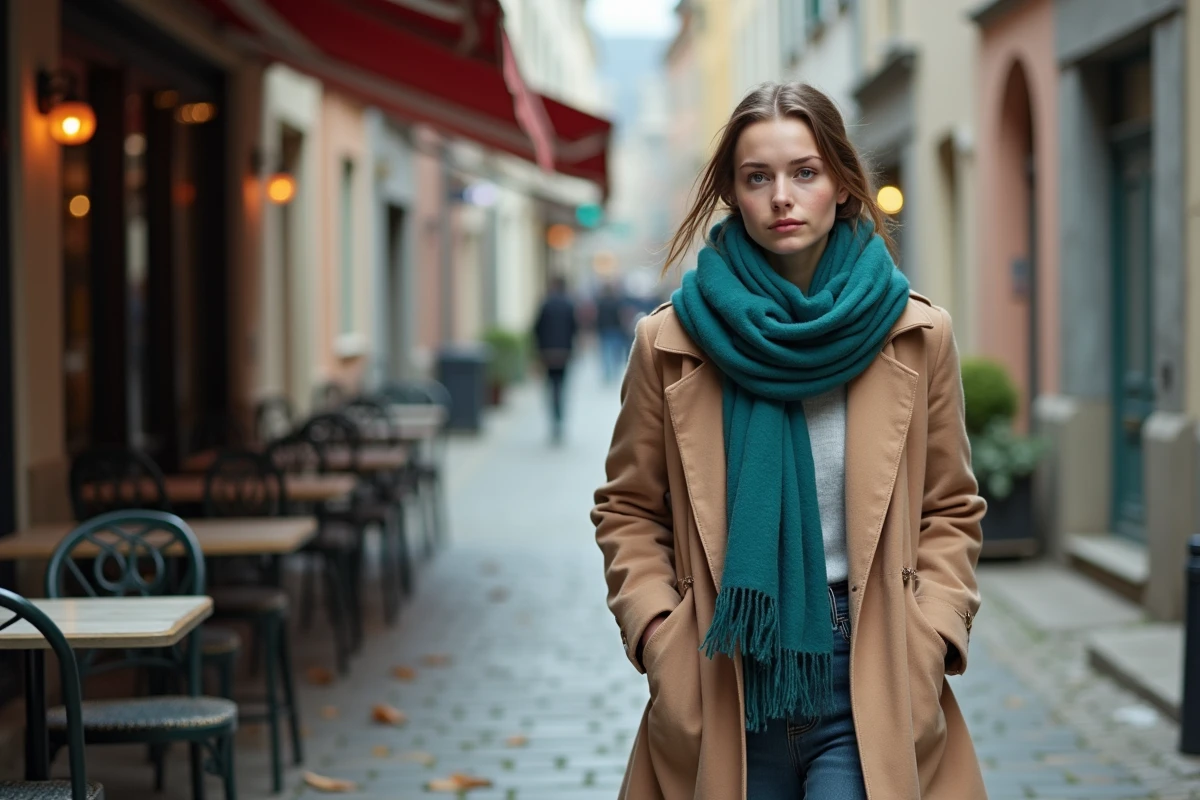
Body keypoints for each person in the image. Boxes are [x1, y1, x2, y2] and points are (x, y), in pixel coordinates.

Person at [591, 82, 986, 799]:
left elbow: (951, 508)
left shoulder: (917, 336)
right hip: (722, 668)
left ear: (840, 183)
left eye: (804, 171)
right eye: (757, 177)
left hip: (870, 665)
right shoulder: (670, 343)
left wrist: (932, 636)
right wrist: (658, 635)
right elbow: (627, 510)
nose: (782, 195)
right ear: (734, 194)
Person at [533, 275, 578, 443]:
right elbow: (574, 328)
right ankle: (560, 417)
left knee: (550, 386)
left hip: (548, 354)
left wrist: (538, 351)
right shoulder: (569, 304)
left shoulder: (545, 304)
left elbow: (536, 328)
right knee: (562, 386)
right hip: (564, 353)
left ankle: (554, 417)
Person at [595, 280, 633, 383]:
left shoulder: (601, 302)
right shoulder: (617, 302)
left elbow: (598, 317)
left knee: (606, 353)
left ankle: (608, 373)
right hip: (616, 329)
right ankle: (614, 372)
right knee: (616, 352)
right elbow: (621, 316)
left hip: (605, 330)